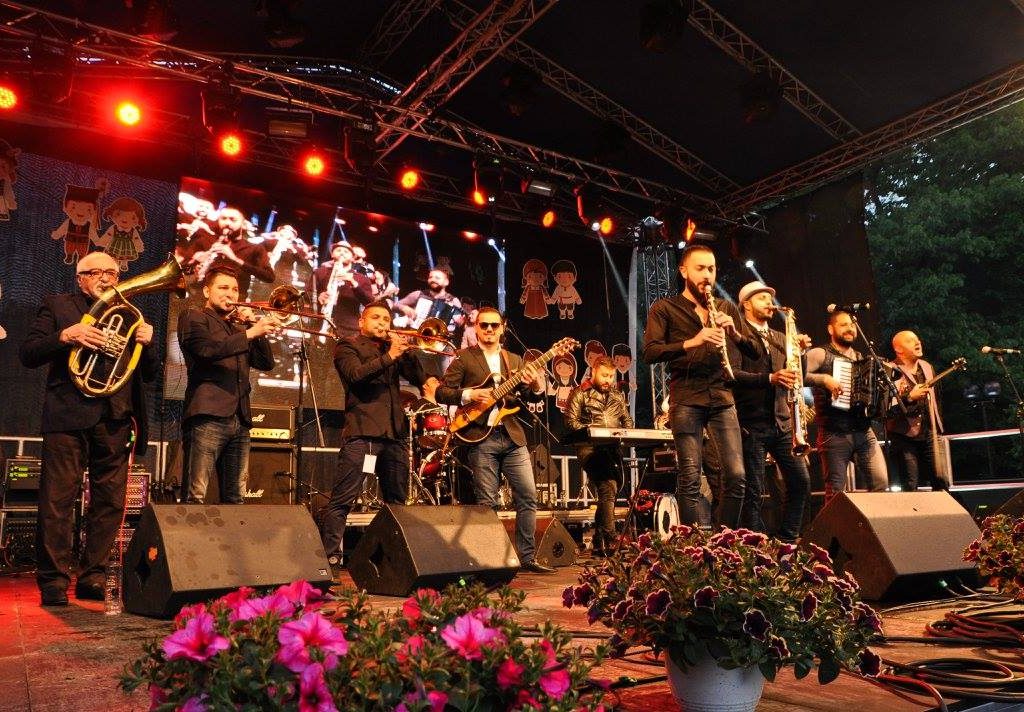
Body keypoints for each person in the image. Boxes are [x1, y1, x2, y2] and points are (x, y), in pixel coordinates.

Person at [19, 252, 157, 606]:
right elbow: (29, 353)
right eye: (95, 272)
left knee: (109, 503)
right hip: (68, 416)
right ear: (80, 278)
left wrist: (147, 344)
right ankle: (53, 581)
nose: (105, 278)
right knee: (57, 501)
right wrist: (66, 335)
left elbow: (149, 374)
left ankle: (92, 576)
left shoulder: (130, 314)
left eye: (112, 272)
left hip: (116, 416)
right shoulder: (57, 305)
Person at [641, 244, 760, 528]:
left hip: (722, 397)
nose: (707, 275)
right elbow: (651, 352)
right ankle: (692, 544)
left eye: (711, 269)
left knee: (736, 476)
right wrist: (693, 341)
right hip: (686, 397)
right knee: (690, 477)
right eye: (700, 268)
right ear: (684, 271)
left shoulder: (725, 307)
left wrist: (734, 333)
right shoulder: (665, 308)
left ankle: (723, 540)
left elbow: (755, 351)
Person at [436, 307, 553, 573]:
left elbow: (531, 397)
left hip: (511, 435)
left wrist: (536, 385)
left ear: (502, 328)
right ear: (476, 328)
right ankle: (487, 560)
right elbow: (442, 392)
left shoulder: (514, 359)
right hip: (480, 436)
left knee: (528, 496)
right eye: (484, 325)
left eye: (494, 325)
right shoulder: (464, 357)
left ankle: (526, 557)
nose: (489, 329)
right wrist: (469, 395)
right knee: (487, 503)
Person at [321, 302, 436, 571]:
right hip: (363, 432)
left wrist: (406, 352)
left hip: (394, 434)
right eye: (376, 318)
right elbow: (355, 376)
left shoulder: (390, 350)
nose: (382, 323)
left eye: (386, 319)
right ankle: (330, 560)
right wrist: (391, 355)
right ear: (361, 322)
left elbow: (419, 378)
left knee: (397, 502)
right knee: (343, 499)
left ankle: (391, 562)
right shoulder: (347, 345)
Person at [178, 268, 276, 504]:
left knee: (236, 498)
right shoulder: (193, 316)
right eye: (223, 288)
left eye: (235, 289)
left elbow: (266, 363)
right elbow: (206, 350)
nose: (230, 294)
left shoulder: (237, 329)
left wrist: (253, 327)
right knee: (195, 494)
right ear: (206, 291)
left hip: (240, 419)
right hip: (207, 416)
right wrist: (250, 334)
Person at [729, 281, 811, 542]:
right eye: (762, 298)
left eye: (769, 298)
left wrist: (801, 353)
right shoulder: (737, 334)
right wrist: (770, 378)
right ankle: (752, 547)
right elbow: (732, 374)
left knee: (801, 481)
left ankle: (787, 538)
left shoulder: (780, 338)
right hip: (751, 423)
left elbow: (799, 376)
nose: (769, 303)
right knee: (753, 491)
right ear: (746, 304)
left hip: (781, 422)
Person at [804, 310, 889, 498]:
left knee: (881, 483)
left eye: (852, 325)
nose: (849, 329)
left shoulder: (861, 358)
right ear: (830, 329)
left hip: (864, 431)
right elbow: (796, 374)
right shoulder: (821, 354)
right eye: (843, 325)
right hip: (834, 433)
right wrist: (824, 379)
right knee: (836, 494)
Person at [565, 356, 633, 556]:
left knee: (609, 491)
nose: (608, 380)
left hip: (612, 448)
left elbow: (627, 421)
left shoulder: (617, 395)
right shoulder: (580, 393)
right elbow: (571, 422)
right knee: (608, 486)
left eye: (611, 376)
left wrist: (625, 433)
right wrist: (593, 432)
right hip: (589, 448)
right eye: (604, 375)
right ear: (593, 372)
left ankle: (598, 541)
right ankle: (610, 536)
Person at [885, 330, 949, 491]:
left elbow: (937, 400)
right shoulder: (889, 370)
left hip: (930, 431)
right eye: (910, 341)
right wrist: (909, 397)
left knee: (941, 481)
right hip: (903, 435)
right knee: (910, 484)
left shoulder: (927, 367)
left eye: (918, 339)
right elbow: (886, 409)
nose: (917, 342)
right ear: (898, 349)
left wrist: (938, 427)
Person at [181, 206, 274, 295]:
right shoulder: (204, 241)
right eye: (223, 219)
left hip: (235, 300)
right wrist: (193, 262)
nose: (227, 223)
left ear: (243, 223)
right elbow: (182, 269)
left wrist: (235, 260)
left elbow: (269, 277)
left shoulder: (254, 248)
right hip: (201, 296)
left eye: (233, 220)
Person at [312, 241, 374, 339]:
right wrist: (318, 296)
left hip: (349, 330)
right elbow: (308, 294)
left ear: (353, 258)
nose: (342, 253)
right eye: (338, 250)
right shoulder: (320, 272)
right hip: (319, 325)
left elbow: (369, 302)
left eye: (346, 251)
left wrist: (353, 283)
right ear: (332, 254)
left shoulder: (362, 279)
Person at [397, 267, 464, 334]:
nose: (433, 280)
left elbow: (460, 323)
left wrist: (461, 322)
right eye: (430, 277)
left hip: (441, 339)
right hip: (417, 335)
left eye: (437, 278)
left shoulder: (453, 300)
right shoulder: (419, 294)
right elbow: (396, 305)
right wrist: (404, 308)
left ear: (446, 282)